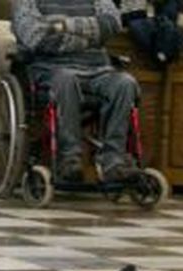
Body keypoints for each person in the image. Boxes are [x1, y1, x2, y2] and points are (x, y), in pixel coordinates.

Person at [12, 0, 144, 184]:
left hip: (97, 69)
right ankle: (68, 159)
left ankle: (114, 161)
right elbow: (37, 38)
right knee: (66, 80)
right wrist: (90, 34)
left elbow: (112, 23)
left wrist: (64, 26)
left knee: (125, 83)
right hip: (51, 70)